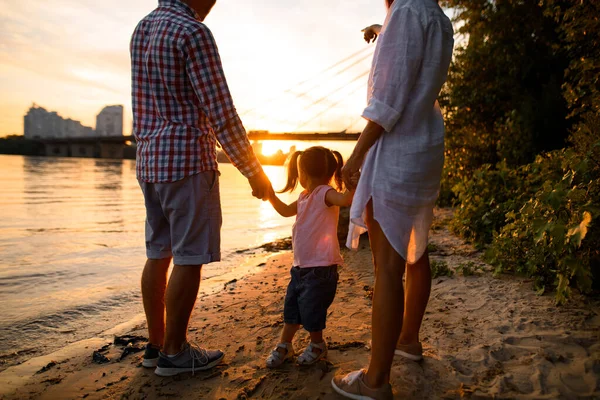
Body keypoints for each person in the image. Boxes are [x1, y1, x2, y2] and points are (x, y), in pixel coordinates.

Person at [130, 0, 272, 377]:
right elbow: (221, 112)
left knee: (158, 252)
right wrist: (253, 171)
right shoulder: (193, 32)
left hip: (149, 161)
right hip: (188, 162)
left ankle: (156, 345)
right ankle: (175, 354)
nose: (212, 4)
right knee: (190, 256)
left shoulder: (143, 28)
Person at [331, 0, 454, 398]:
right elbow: (414, 69)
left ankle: (376, 380)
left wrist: (355, 155)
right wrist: (381, 31)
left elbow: (387, 100)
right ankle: (408, 341)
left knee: (387, 267)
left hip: (396, 153)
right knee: (416, 253)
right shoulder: (437, 17)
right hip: (425, 149)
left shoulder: (403, 13)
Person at [264, 147, 354, 368]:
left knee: (312, 311)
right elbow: (286, 210)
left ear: (302, 173)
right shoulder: (304, 196)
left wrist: (352, 181)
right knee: (292, 309)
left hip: (321, 268)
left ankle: (317, 344)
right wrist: (270, 195)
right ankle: (285, 344)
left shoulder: (325, 193)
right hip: (300, 268)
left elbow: (345, 199)